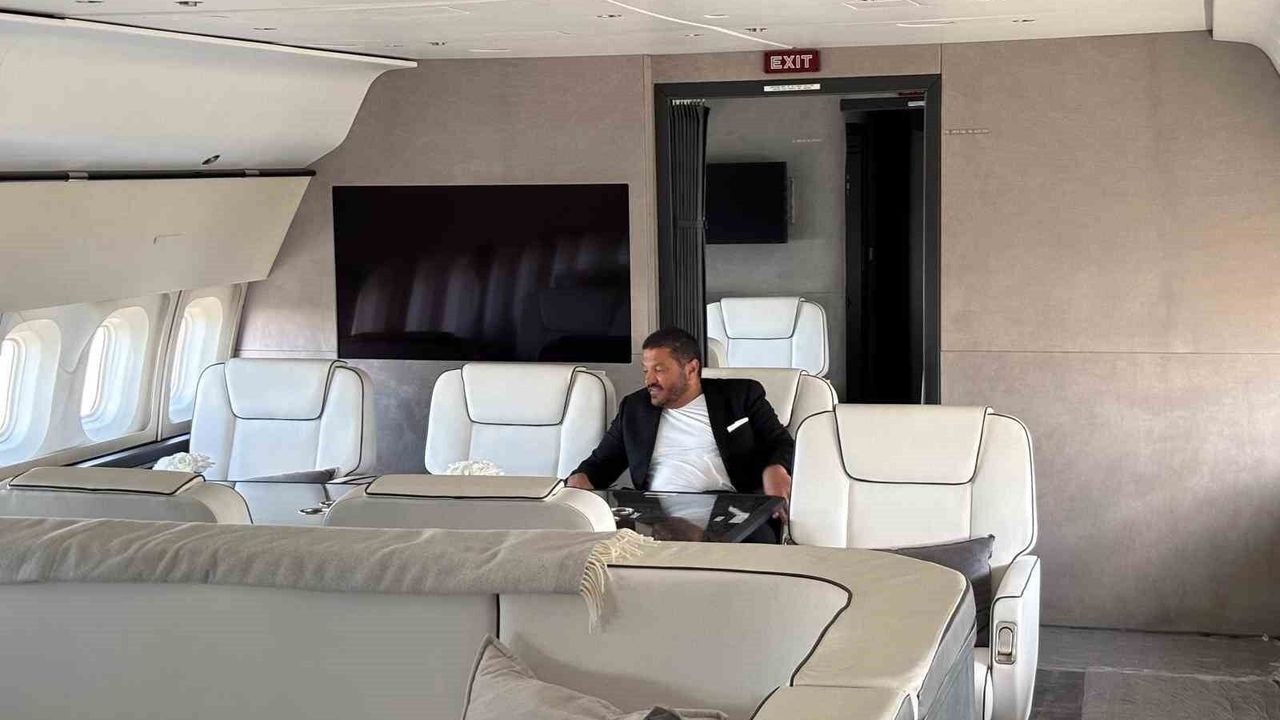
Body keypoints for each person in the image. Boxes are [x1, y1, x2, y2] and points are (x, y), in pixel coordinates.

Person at [566, 327, 794, 540]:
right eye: (646, 371)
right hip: (655, 517)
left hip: (731, 513)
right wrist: (580, 478)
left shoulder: (740, 396)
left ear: (691, 369)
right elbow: (601, 464)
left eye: (659, 370)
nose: (649, 380)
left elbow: (781, 442)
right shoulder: (635, 408)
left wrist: (776, 468)